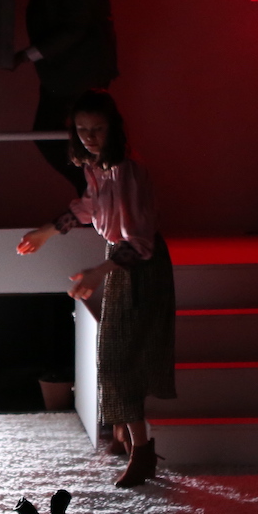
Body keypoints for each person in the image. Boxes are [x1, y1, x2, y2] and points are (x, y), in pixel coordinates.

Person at [17, 89, 175, 486]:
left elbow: (140, 243)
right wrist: (48, 231)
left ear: (113, 129)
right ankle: (127, 436)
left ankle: (142, 450)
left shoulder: (129, 171)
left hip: (138, 265)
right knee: (115, 355)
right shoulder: (97, 168)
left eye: (97, 129)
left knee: (119, 359)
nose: (89, 136)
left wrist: (99, 271)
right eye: (83, 129)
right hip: (119, 259)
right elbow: (87, 207)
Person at [0, 0, 117, 197]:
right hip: (72, 71)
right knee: (68, 138)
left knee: (60, 137)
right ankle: (93, 198)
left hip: (76, 72)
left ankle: (92, 197)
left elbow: (78, 26)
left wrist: (28, 55)